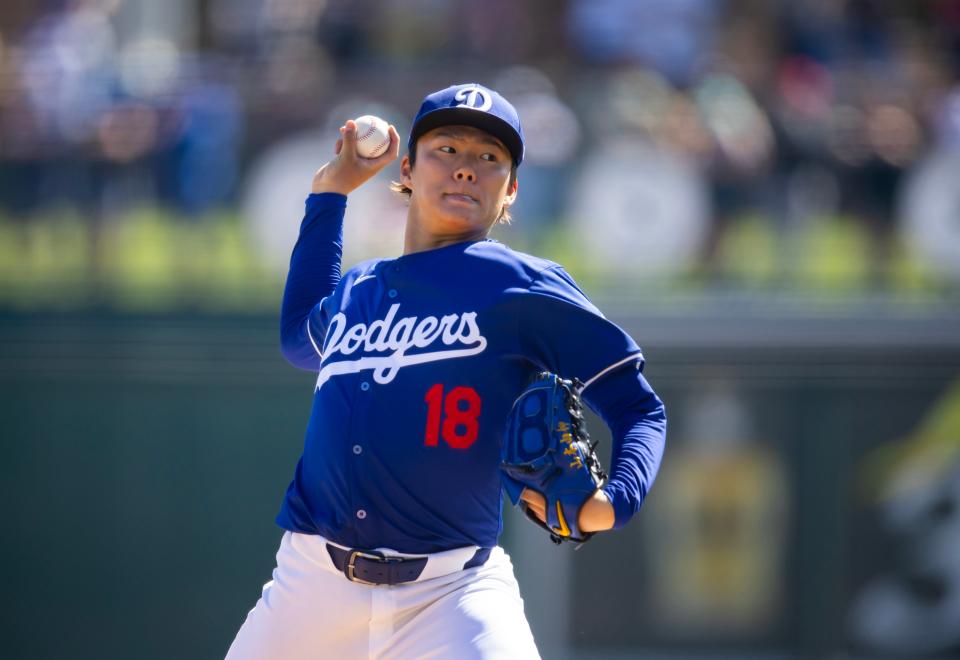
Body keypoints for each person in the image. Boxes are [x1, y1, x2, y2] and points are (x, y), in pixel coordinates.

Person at [226, 83, 667, 659]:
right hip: (310, 586)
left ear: (510, 191)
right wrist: (331, 192)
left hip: (452, 595)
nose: (466, 170)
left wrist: (617, 499)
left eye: (489, 159)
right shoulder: (361, 288)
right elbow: (299, 339)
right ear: (407, 168)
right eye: (448, 150)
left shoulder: (522, 286)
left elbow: (639, 407)